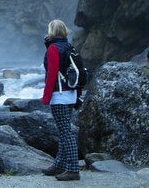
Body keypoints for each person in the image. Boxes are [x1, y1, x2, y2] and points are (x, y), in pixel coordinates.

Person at [41, 19, 82, 181]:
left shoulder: (53, 49)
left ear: (51, 31)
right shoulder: (69, 47)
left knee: (66, 133)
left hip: (59, 95)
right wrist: (78, 96)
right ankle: (59, 164)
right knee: (64, 130)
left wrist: (46, 97)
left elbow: (52, 74)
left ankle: (73, 169)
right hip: (70, 94)